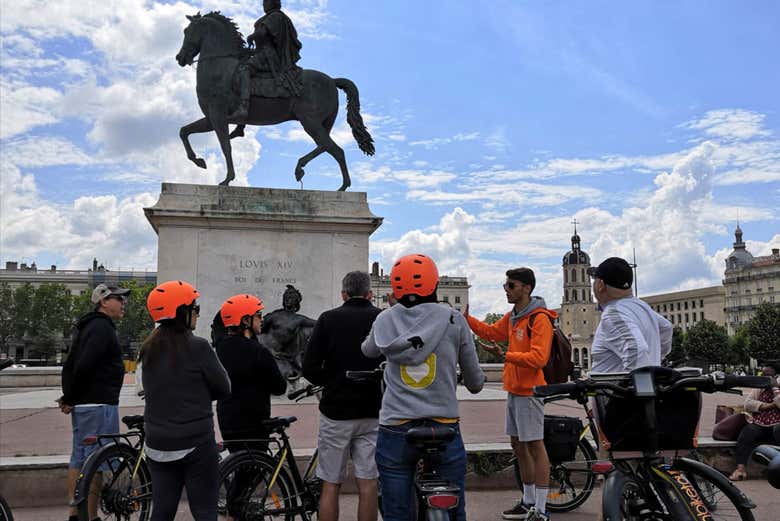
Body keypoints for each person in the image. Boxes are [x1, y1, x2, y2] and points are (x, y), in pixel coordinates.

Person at [362, 253, 486, 521]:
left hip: (396, 425)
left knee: (397, 509)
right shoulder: (454, 320)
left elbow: (368, 350)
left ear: (395, 287)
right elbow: (475, 382)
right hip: (443, 424)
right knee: (455, 508)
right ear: (434, 284)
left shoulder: (385, 320)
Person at [464, 268, 557, 521]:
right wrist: (467, 319)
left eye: (511, 285)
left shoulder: (539, 319)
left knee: (535, 446)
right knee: (519, 446)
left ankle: (541, 508)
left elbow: (539, 357)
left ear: (526, 288)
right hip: (514, 390)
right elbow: (492, 332)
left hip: (530, 392)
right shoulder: (515, 316)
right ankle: (528, 502)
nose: (506, 289)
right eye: (505, 285)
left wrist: (506, 356)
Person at [140, 280, 231, 521]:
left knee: (162, 512)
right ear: (181, 312)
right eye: (195, 308)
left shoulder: (148, 348)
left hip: (157, 443)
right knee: (204, 512)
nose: (198, 313)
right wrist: (198, 394)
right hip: (195, 443)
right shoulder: (198, 346)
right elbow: (224, 388)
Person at [302, 271, 383, 521]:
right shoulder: (381, 318)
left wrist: (332, 380)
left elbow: (309, 367)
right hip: (372, 410)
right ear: (370, 294)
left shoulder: (328, 319)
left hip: (336, 411)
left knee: (330, 483)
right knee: (368, 483)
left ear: (343, 294)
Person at [59, 283, 129, 521]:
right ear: (103, 302)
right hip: (99, 404)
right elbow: (85, 365)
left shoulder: (87, 326)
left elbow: (71, 365)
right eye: (119, 299)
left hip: (86, 404)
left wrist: (70, 396)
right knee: (96, 462)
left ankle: (75, 513)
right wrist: (70, 397)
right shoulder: (102, 328)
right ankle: (89, 516)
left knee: (79, 458)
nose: (124, 303)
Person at [215, 293, 287, 519]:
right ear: (245, 321)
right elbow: (279, 386)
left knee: (242, 469)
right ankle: (234, 512)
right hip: (254, 421)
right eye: (258, 316)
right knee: (253, 469)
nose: (261, 321)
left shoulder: (220, 348)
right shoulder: (258, 351)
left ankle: (233, 512)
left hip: (228, 420)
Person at [588, 257, 672, 372]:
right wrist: (654, 360)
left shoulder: (613, 314)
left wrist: (634, 384)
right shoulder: (642, 306)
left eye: (594, 279)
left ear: (600, 285)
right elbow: (666, 327)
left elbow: (635, 349)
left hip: (612, 389)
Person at [228, 0, 303, 121]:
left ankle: (243, 107)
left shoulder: (275, 16)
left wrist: (252, 36)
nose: (263, 4)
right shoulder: (272, 16)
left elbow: (262, 33)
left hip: (268, 56)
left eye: (265, 2)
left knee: (244, 70)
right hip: (263, 53)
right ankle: (240, 125)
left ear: (272, 3)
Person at [729, 364, 780, 481]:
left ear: (776, 376)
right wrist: (769, 406)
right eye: (763, 374)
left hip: (777, 425)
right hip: (761, 423)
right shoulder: (759, 387)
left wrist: (775, 389)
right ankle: (740, 469)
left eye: (768, 376)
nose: (764, 377)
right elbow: (748, 404)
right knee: (747, 432)